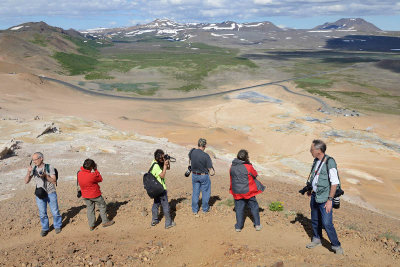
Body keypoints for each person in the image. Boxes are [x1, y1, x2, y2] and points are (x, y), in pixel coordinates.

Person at [306, 139, 343, 254]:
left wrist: (330, 200)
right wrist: (310, 188)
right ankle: (317, 238)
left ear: (319, 150)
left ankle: (336, 246)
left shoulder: (330, 162)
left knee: (327, 223)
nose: (310, 151)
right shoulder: (316, 161)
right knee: (315, 219)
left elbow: (334, 183)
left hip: (325, 199)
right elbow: (315, 177)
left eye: (311, 149)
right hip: (315, 196)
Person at [24, 152, 62, 237]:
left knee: (55, 212)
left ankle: (57, 226)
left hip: (51, 192)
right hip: (40, 194)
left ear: (41, 158)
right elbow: (26, 181)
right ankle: (45, 228)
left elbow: (54, 181)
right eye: (33, 160)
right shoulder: (33, 169)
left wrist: (45, 175)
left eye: (35, 159)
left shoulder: (49, 167)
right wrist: (28, 172)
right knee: (42, 213)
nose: (34, 161)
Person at [230, 149, 265, 232]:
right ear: (246, 157)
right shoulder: (248, 167)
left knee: (239, 208)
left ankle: (238, 227)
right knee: (254, 207)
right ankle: (257, 225)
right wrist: (249, 164)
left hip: (237, 191)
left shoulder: (232, 167)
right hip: (248, 191)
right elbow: (255, 174)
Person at [77, 159, 114, 231]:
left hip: (85, 195)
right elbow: (100, 179)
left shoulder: (79, 173)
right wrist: (96, 170)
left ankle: (91, 225)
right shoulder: (92, 175)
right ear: (91, 167)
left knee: (90, 209)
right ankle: (105, 222)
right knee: (102, 206)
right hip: (95, 194)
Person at [150, 149, 176, 229]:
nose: (163, 158)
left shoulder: (154, 162)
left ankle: (154, 220)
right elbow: (162, 175)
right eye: (162, 157)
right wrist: (164, 165)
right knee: (165, 206)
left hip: (155, 188)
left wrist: (167, 162)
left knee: (156, 203)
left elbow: (168, 169)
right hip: (161, 189)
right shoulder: (156, 166)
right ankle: (168, 223)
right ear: (159, 157)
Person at [189, 138, 213, 215]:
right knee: (205, 192)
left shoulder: (192, 152)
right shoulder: (206, 155)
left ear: (198, 144)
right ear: (205, 145)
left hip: (194, 175)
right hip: (203, 176)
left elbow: (189, 157)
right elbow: (209, 168)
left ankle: (194, 210)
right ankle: (205, 209)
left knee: (195, 193)